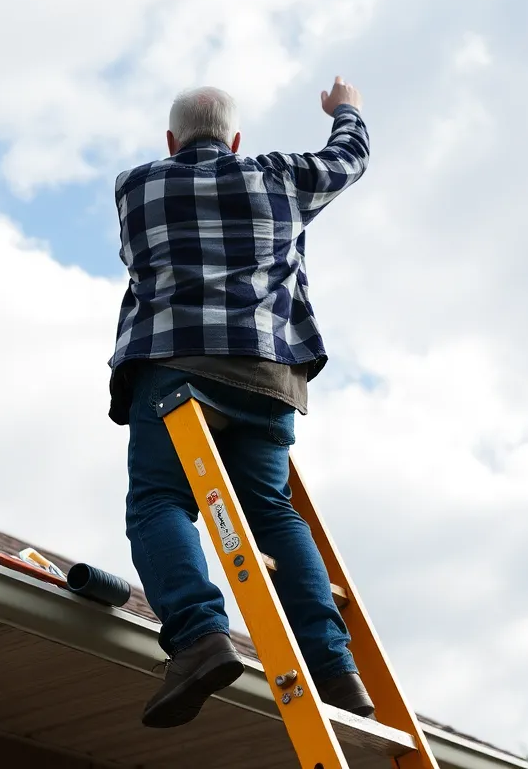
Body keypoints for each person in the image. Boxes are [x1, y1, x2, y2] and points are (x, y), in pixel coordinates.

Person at [105, 77, 372, 729]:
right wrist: (345, 111)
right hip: (266, 375)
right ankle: (335, 669)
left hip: (175, 368)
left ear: (171, 141)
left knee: (161, 503)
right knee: (274, 517)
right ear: (237, 140)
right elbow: (349, 161)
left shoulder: (136, 186)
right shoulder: (277, 178)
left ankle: (199, 637)